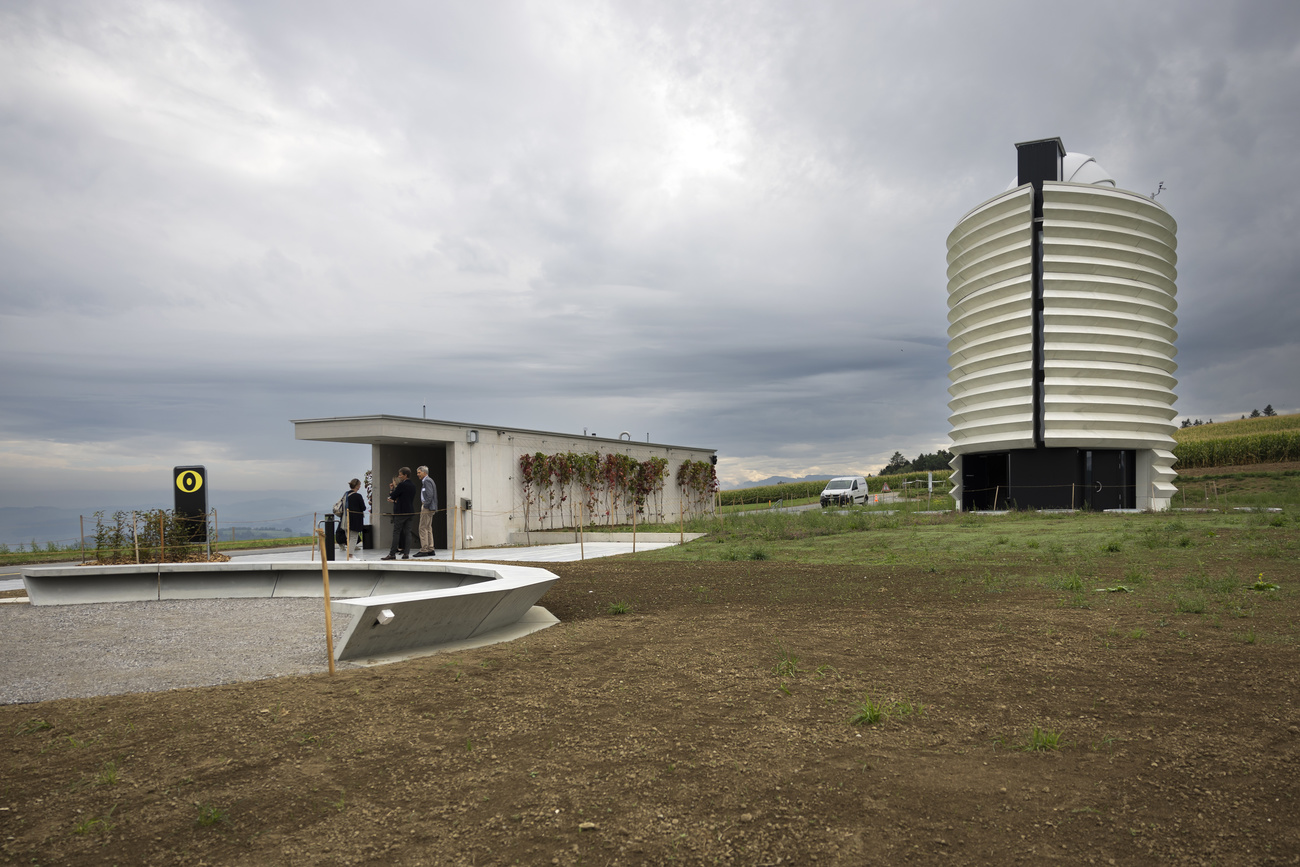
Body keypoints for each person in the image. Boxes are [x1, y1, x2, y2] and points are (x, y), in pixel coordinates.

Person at [382, 467, 418, 560]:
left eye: (400, 474)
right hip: (410, 511)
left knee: (396, 532)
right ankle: (406, 553)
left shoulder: (402, 485)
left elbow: (393, 496)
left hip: (400, 512)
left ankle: (392, 554)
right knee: (408, 533)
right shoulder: (413, 485)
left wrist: (391, 491)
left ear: (405, 475)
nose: (399, 476)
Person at [413, 465, 439, 557]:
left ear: (425, 473)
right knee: (428, 528)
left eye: (419, 472)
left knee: (422, 528)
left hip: (427, 507)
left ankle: (424, 549)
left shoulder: (427, 481)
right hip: (430, 507)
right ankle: (430, 548)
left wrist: (425, 505)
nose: (417, 474)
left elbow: (430, 495)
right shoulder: (428, 481)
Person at [342, 478, 367, 559]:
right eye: (359, 485)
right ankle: (350, 555)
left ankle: (349, 554)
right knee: (353, 537)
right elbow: (363, 507)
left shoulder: (346, 495)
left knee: (348, 537)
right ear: (357, 486)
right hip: (355, 519)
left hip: (345, 519)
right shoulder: (358, 496)